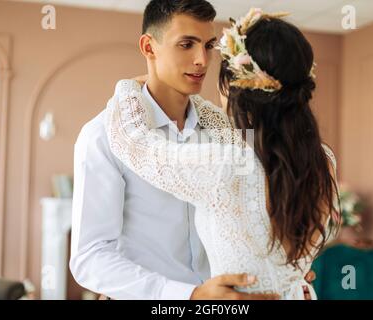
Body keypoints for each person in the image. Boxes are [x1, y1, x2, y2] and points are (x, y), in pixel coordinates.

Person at [70, 0, 316, 300]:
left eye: (209, 45)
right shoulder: (102, 136)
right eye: (186, 44)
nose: (202, 59)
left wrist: (282, 264)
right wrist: (189, 296)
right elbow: (91, 257)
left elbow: (262, 213)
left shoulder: (231, 133)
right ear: (149, 47)